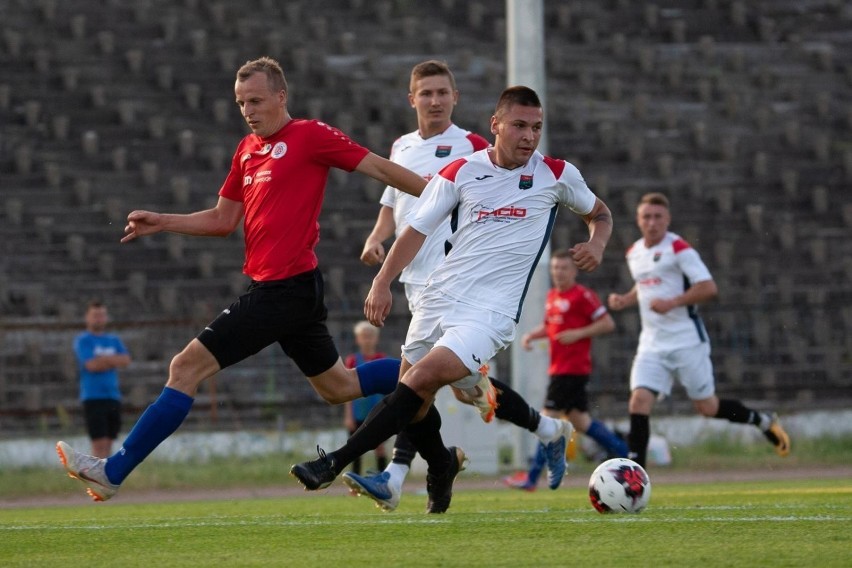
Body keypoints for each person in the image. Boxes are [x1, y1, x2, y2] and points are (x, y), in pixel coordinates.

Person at [56, 56, 429, 502]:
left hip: (284, 289)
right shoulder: (246, 150)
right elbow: (221, 220)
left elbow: (381, 169)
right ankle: (433, 373)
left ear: (280, 96)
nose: (248, 110)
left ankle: (112, 471)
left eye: (255, 100)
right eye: (240, 103)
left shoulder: (309, 136)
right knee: (340, 387)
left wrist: (442, 194)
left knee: (184, 367)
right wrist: (163, 221)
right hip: (284, 289)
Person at [290, 85, 613, 514]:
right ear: (495, 125)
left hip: (490, 313)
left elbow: (600, 213)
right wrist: (382, 281)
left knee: (421, 380)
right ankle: (441, 468)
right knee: (417, 402)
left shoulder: (555, 174)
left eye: (536, 128)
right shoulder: (461, 171)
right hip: (438, 298)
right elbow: (416, 229)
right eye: (519, 126)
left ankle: (334, 462)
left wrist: (599, 243)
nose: (529, 137)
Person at [343, 61, 573, 512]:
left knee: (421, 383)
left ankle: (395, 475)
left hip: (456, 278)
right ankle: (547, 430)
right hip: (416, 280)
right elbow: (395, 204)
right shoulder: (402, 145)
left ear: (455, 97)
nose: (435, 100)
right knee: (459, 388)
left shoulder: (472, 147)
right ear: (412, 99)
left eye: (442, 92)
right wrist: (376, 236)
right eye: (426, 93)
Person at [606, 192, 790, 467]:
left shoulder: (680, 249)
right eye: (647, 216)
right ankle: (635, 475)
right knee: (638, 402)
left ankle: (763, 421)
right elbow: (645, 284)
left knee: (707, 407)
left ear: (667, 219)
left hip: (687, 341)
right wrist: (626, 299)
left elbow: (708, 287)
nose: (652, 222)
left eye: (658, 216)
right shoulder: (634, 252)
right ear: (638, 219)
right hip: (652, 344)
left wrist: (673, 302)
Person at [505, 250, 627, 491]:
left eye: (563, 268)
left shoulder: (582, 296)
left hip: (571, 370)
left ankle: (531, 478)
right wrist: (533, 335)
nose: (558, 272)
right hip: (559, 369)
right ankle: (625, 452)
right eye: (555, 268)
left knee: (545, 420)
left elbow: (607, 323)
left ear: (574, 271)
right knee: (581, 422)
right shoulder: (551, 296)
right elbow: (552, 326)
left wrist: (578, 334)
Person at [72, 300, 132, 458]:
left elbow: (126, 360)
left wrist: (102, 360)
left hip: (112, 396)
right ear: (87, 317)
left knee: (109, 442)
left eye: (102, 315)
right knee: (99, 443)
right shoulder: (83, 340)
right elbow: (91, 365)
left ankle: (104, 479)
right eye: (95, 315)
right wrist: (112, 360)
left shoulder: (113, 340)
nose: (99, 319)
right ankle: (96, 479)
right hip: (93, 397)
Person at [343, 321, 388, 476]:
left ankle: (383, 480)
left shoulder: (382, 359)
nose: (367, 340)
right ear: (358, 339)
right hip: (358, 411)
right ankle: (354, 484)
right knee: (355, 447)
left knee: (380, 447)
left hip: (377, 410)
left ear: (376, 339)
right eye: (364, 337)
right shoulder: (352, 360)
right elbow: (347, 390)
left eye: (370, 336)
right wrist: (348, 415)